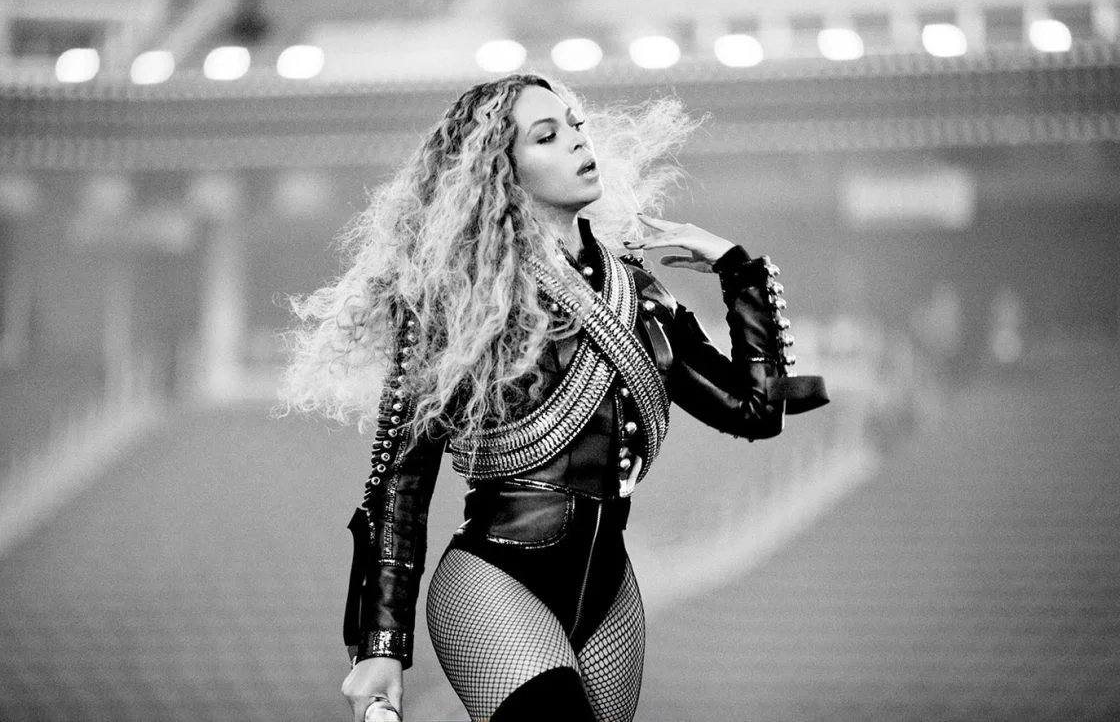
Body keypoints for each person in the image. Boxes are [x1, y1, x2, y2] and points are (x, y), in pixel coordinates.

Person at [280, 73, 828, 722]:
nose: (576, 140)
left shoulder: (637, 291)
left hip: (610, 595)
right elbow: (401, 481)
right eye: (546, 135)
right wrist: (381, 646)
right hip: (495, 582)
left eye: (576, 126)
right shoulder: (457, 298)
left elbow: (755, 411)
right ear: (501, 171)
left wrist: (737, 268)